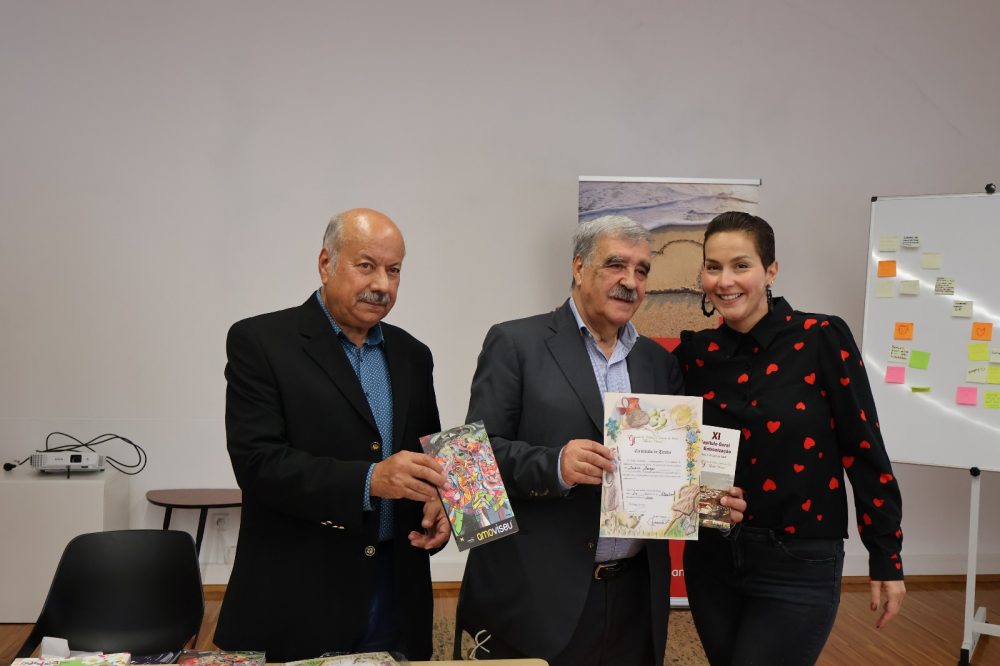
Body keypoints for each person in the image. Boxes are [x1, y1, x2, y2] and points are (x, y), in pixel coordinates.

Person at [454, 215, 747, 666]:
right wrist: (555, 465)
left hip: (634, 600)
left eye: (642, 270)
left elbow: (673, 470)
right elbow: (470, 464)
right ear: (578, 267)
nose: (630, 281)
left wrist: (711, 503)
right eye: (616, 265)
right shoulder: (515, 342)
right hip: (539, 598)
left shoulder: (658, 362)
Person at [214, 208, 450, 662]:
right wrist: (370, 480)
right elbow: (258, 464)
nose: (382, 284)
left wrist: (439, 501)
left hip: (398, 591)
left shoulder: (413, 354)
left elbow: (426, 453)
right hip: (300, 596)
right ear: (326, 264)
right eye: (366, 266)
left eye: (394, 270)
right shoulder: (260, 342)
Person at [673, 211, 906, 665]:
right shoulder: (695, 355)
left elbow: (864, 450)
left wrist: (886, 554)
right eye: (713, 267)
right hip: (712, 559)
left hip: (798, 561)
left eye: (741, 265)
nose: (725, 281)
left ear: (771, 271)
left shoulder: (821, 338)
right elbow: (677, 454)